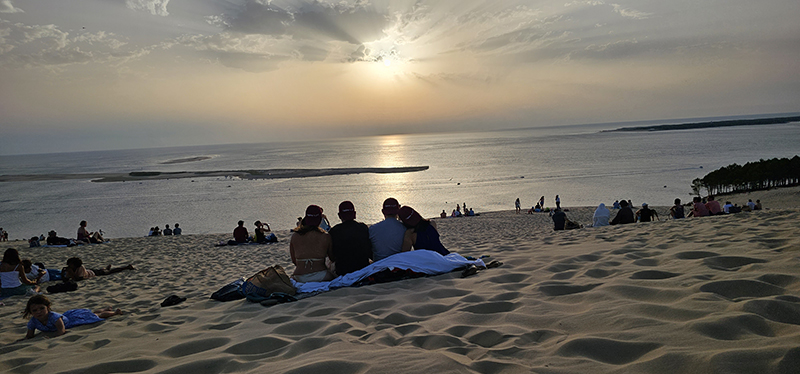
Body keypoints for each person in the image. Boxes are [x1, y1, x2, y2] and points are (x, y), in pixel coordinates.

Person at [23, 295, 123, 339]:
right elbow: (29, 335)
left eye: (41, 308)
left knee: (96, 316)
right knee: (91, 313)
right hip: (70, 317)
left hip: (72, 320)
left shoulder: (54, 317)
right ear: (31, 312)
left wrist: (52, 337)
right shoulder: (33, 322)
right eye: (34, 310)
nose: (39, 312)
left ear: (48, 308)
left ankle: (114, 313)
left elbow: (61, 331)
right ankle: (106, 308)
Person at [289, 205, 334, 282]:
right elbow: (332, 258)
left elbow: (294, 260)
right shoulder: (325, 236)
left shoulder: (295, 236)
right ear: (320, 220)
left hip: (299, 276)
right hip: (321, 275)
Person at [328, 201, 372, 276]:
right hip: (363, 268)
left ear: (339, 216)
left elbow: (332, 257)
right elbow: (369, 250)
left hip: (343, 270)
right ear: (354, 214)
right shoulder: (363, 228)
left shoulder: (334, 231)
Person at [369, 198, 407, 262]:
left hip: (379, 265)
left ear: (383, 211)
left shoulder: (372, 229)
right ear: (398, 211)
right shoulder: (405, 228)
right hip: (398, 265)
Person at [62, 257, 135, 281]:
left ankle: (126, 267)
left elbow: (80, 279)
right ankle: (105, 268)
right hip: (89, 271)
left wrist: (72, 275)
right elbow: (65, 279)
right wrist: (63, 273)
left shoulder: (80, 267)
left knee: (110, 272)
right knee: (103, 270)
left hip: (93, 273)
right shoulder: (70, 269)